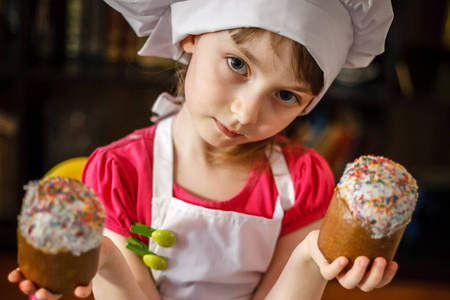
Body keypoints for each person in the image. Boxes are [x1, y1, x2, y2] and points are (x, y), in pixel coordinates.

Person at [8, 0, 397, 299]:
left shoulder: (302, 180)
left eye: (285, 95)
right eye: (237, 64)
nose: (245, 113)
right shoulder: (121, 172)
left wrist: (313, 257)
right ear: (191, 35)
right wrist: (105, 260)